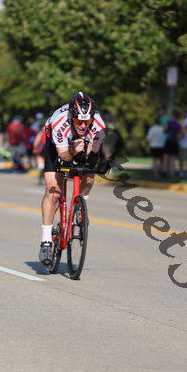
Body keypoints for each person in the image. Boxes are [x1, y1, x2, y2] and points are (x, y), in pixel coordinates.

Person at [39, 91, 106, 265]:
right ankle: (46, 240)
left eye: (87, 122)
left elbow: (97, 157)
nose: (83, 125)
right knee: (53, 192)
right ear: (71, 116)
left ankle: (80, 207)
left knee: (89, 177)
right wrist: (72, 150)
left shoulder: (99, 126)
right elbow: (63, 156)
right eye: (78, 121)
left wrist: (95, 154)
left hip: (82, 143)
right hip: (57, 146)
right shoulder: (60, 123)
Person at [162, 111, 181, 178]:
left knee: (166, 157)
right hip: (175, 141)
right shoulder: (178, 124)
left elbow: (164, 130)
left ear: (172, 116)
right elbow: (180, 133)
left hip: (169, 141)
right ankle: (172, 172)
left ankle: (164, 171)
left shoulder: (169, 122)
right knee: (172, 158)